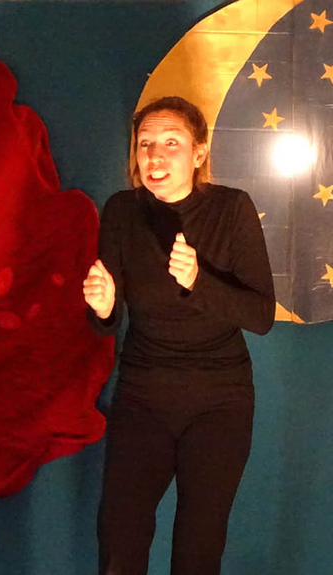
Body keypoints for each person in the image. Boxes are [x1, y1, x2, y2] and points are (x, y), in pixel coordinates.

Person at [83, 96, 274, 575]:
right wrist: (103, 309)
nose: (155, 155)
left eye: (171, 143)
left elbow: (260, 315)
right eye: (145, 144)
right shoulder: (122, 210)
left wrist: (198, 281)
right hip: (143, 396)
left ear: (199, 152)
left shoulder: (231, 208)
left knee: (197, 548)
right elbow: (108, 317)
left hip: (219, 401)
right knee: (119, 537)